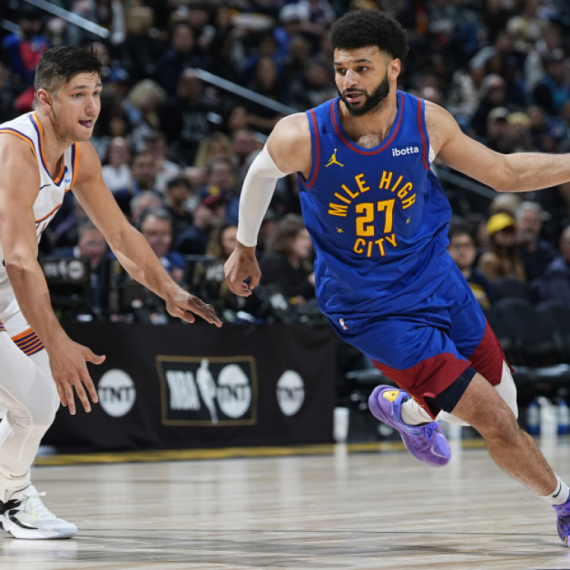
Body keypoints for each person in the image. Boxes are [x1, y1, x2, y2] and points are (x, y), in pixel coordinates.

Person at [224, 10, 570, 546]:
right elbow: (259, 173)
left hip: (437, 280)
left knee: (507, 402)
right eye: (341, 69)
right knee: (496, 422)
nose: (348, 80)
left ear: (394, 68)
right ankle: (564, 504)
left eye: (362, 68)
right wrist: (245, 247)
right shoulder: (303, 134)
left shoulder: (426, 122)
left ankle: (406, 410)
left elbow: (504, 173)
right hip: (371, 308)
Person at [0, 46, 221, 540]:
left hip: (6, 291)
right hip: (8, 280)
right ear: (44, 100)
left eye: (96, 93)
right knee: (35, 403)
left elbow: (120, 235)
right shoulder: (14, 151)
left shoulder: (79, 156)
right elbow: (19, 259)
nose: (92, 106)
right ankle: (12, 498)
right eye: (78, 94)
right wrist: (58, 342)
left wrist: (169, 290)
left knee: (37, 404)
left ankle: (11, 492)